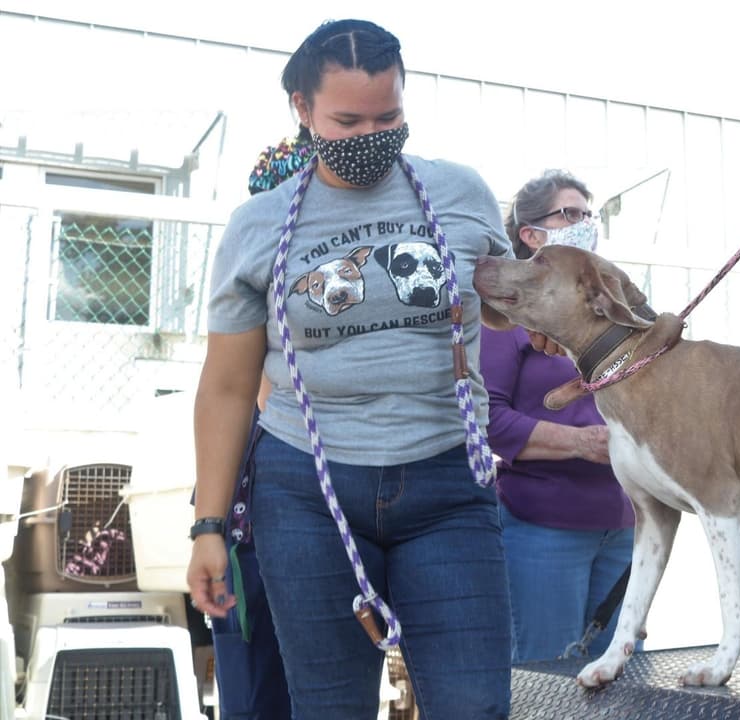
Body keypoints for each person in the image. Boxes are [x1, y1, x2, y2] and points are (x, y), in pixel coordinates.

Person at [187, 19, 513, 718]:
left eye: (388, 115)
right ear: (301, 110)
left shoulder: (460, 193)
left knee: (475, 705)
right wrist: (208, 527)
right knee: (330, 708)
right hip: (307, 490)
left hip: (447, 485)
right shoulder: (259, 225)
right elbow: (227, 386)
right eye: (347, 119)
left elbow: (511, 306)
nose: (371, 133)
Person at [479, 170, 637, 663]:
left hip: (624, 521)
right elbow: (488, 420)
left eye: (588, 214)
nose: (584, 224)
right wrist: (578, 442)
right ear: (530, 234)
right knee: (549, 679)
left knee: (622, 680)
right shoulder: (507, 314)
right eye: (569, 214)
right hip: (544, 529)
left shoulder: (606, 306)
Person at [205, 138, 310, 720]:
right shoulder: (255, 281)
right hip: (247, 521)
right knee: (251, 691)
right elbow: (237, 394)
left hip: (308, 521)